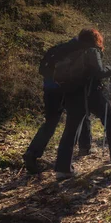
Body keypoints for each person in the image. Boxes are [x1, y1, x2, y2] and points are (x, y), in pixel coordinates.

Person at [54, 28, 111, 179]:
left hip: (72, 94)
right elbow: (99, 72)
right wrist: (110, 69)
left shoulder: (70, 52)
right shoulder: (92, 51)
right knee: (110, 118)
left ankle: (63, 168)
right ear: (95, 39)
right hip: (90, 93)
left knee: (71, 129)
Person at [23, 38, 94, 174]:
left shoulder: (56, 49)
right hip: (68, 89)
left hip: (49, 89)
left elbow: (42, 69)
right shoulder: (82, 51)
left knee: (50, 123)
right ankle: (85, 147)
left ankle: (32, 153)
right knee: (81, 114)